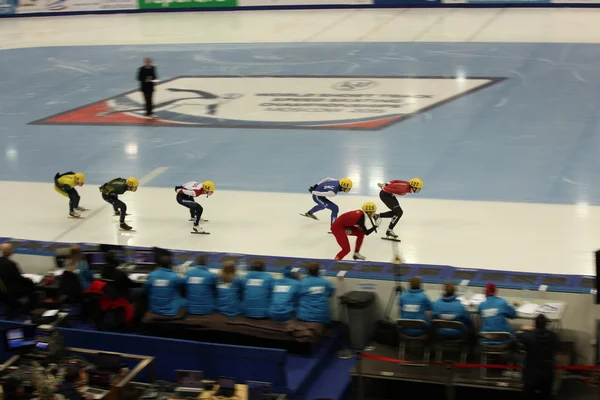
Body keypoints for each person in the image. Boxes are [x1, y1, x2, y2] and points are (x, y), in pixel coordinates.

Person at [517, 314, 559, 400]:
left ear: (535, 323)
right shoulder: (554, 337)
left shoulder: (527, 336)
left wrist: (526, 329)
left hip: (530, 373)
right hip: (547, 373)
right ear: (546, 324)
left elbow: (518, 337)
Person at [0, 243, 37, 316]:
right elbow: (19, 279)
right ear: (9, 251)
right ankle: (31, 308)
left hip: (3, 289)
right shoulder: (11, 264)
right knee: (31, 285)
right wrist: (29, 280)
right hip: (11, 290)